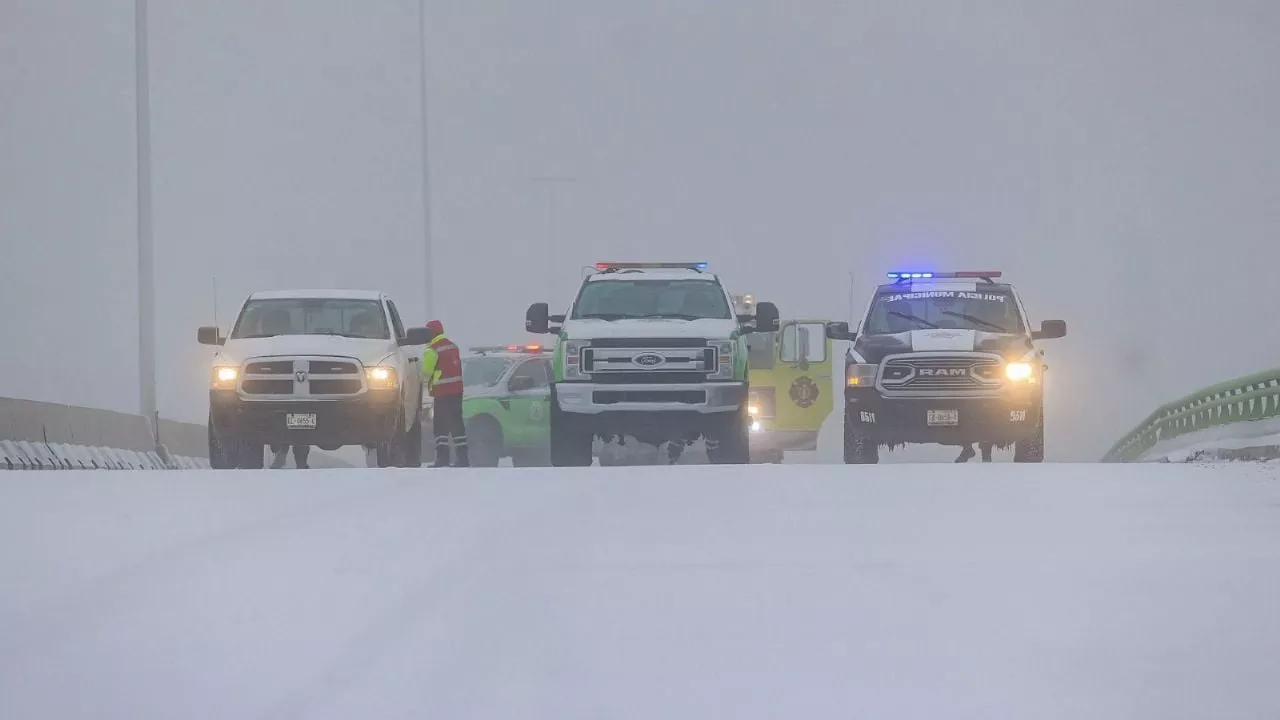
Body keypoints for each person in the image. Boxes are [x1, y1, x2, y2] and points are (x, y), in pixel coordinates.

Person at [421, 319, 468, 467]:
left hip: (441, 393)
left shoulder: (432, 349)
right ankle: (463, 458)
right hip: (457, 392)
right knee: (457, 425)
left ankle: (443, 458)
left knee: (440, 426)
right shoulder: (452, 346)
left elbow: (426, 373)